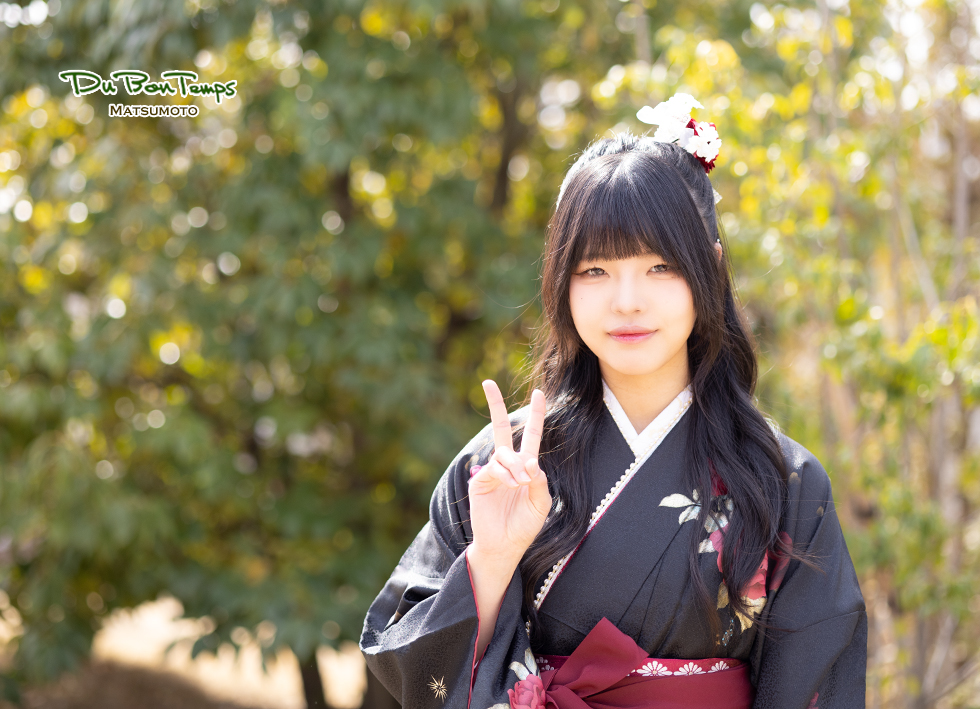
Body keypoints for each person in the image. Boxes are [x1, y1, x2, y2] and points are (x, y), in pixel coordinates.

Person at [359, 93, 867, 709]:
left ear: (710, 269)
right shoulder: (502, 467)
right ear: (560, 279)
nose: (627, 301)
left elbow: (816, 681)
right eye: (595, 270)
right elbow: (411, 662)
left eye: (660, 267)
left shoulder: (781, 480)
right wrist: (491, 558)